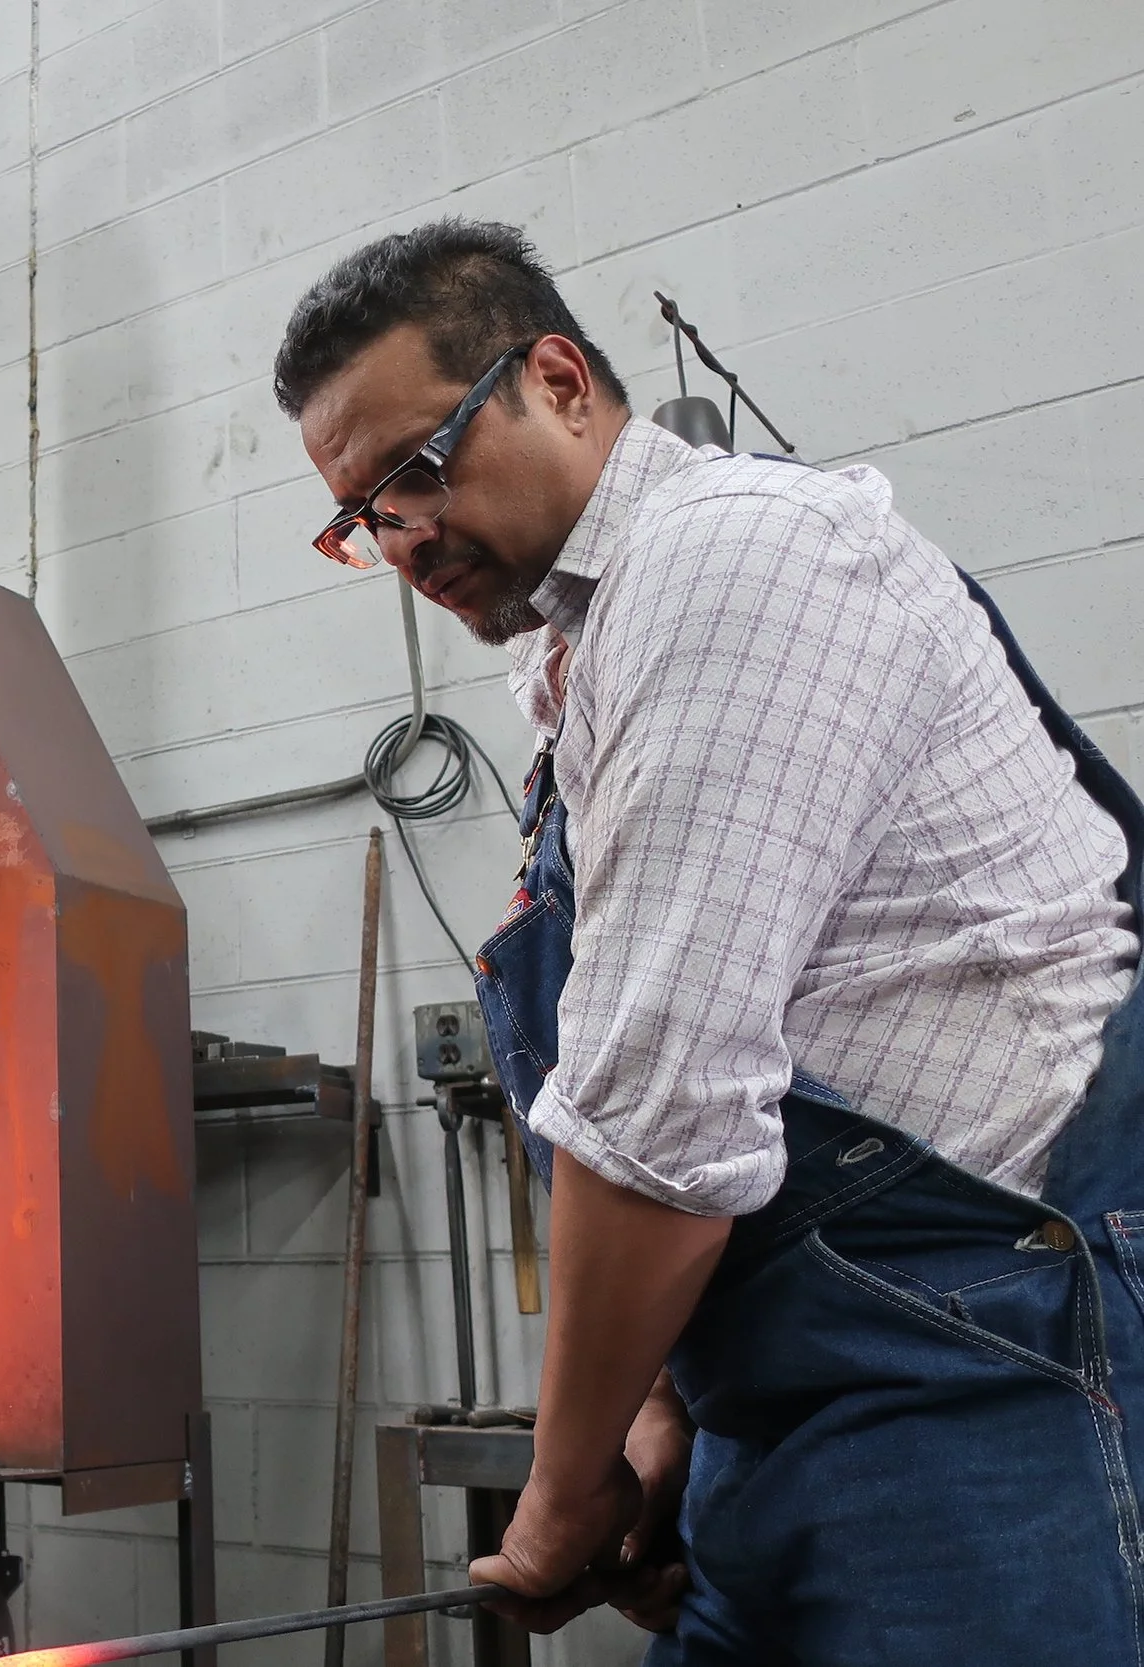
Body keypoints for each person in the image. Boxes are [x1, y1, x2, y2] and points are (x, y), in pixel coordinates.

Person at [271, 219, 1142, 1662]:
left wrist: (561, 1494)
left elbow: (663, 1107)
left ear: (558, 380)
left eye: (417, 469)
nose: (403, 538)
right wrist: (661, 1408)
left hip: (978, 1372)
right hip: (796, 1391)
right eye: (363, 515)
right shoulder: (578, 658)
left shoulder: (732, 559)